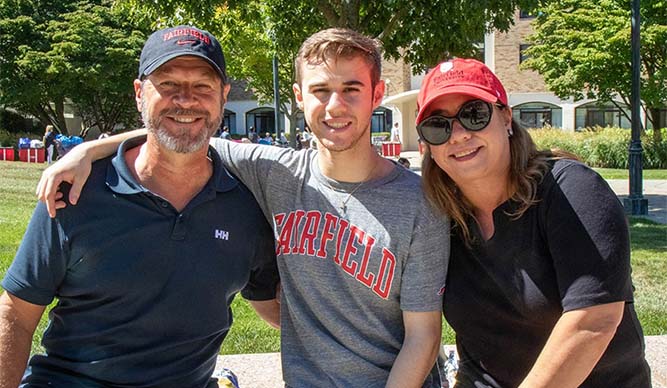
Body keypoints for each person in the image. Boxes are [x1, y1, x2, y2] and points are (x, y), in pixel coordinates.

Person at [36, 28, 449, 388]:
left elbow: (424, 337)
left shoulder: (419, 201)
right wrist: (89, 150)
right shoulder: (274, 173)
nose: (335, 106)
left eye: (352, 90)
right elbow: (183, 125)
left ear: (377, 94)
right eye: (321, 90)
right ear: (300, 97)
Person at [0, 25, 279, 388]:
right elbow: (16, 315)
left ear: (223, 96)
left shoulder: (245, 205)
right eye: (168, 85)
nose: (185, 99)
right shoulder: (76, 191)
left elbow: (271, 305)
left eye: (202, 86)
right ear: (138, 93)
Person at [415, 58, 652, 387]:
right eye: (437, 126)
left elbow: (593, 323)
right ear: (428, 145)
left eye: (474, 115)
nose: (457, 135)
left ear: (506, 118)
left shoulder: (570, 190)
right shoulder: (438, 216)